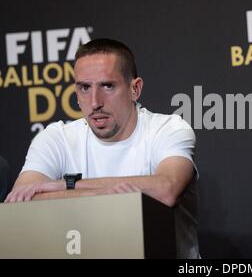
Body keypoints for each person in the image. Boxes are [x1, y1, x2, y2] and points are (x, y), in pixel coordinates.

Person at [5, 38, 200, 259]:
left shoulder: (167, 129)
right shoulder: (56, 138)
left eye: (108, 86)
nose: (95, 101)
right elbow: (21, 204)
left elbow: (167, 189)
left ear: (135, 89)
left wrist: (67, 186)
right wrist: (114, 195)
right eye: (84, 88)